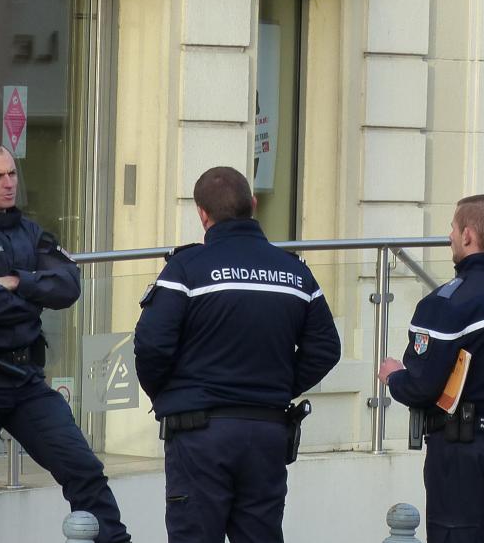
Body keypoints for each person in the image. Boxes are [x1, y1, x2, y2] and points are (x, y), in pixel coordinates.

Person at [0, 142, 131, 543]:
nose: (9, 183)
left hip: (25, 380)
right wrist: (35, 295)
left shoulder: (31, 231)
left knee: (83, 469)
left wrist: (16, 281)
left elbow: (69, 286)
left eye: (11, 173)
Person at [134, 166, 341, 543]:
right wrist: (278, 387)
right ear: (254, 204)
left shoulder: (185, 269)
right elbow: (326, 348)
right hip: (266, 431)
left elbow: (151, 346)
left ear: (202, 214)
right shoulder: (294, 272)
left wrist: (171, 395)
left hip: (199, 433)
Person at [378, 195, 484, 543]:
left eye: (453, 228)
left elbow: (421, 386)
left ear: (468, 235)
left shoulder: (448, 302)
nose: (450, 236)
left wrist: (393, 376)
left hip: (459, 453)